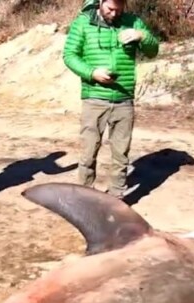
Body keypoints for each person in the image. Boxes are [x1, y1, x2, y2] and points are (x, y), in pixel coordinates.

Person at [63, 0, 159, 197]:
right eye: (110, 9)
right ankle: (85, 197)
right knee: (89, 152)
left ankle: (117, 199)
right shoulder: (82, 23)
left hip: (124, 99)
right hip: (94, 98)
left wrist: (142, 36)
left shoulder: (133, 22)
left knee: (121, 155)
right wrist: (92, 72)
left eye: (119, 8)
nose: (114, 13)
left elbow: (153, 51)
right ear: (100, 2)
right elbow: (69, 55)